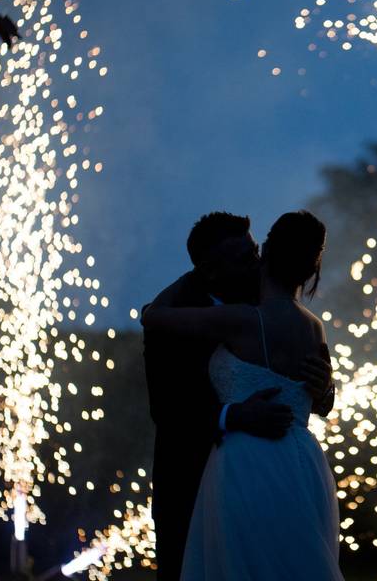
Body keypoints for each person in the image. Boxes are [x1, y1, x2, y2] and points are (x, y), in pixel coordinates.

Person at [142, 210, 343, 580]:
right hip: (190, 480)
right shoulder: (180, 316)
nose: (257, 262)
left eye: (255, 252)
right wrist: (232, 416)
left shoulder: (274, 304)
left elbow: (318, 396)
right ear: (209, 270)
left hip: (276, 477)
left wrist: (325, 387)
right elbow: (167, 409)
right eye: (243, 258)